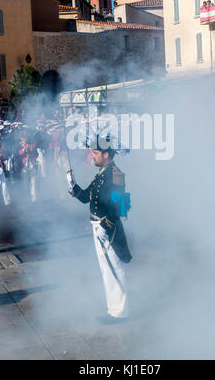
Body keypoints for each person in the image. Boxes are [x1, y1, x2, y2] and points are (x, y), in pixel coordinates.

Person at [67, 135, 132, 323]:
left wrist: (106, 225)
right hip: (99, 227)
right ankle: (113, 309)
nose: (92, 156)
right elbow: (87, 196)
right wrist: (74, 186)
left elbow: (120, 206)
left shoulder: (115, 174)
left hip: (107, 229)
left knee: (114, 269)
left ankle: (120, 312)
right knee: (107, 269)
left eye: (95, 152)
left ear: (106, 154)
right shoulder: (103, 172)